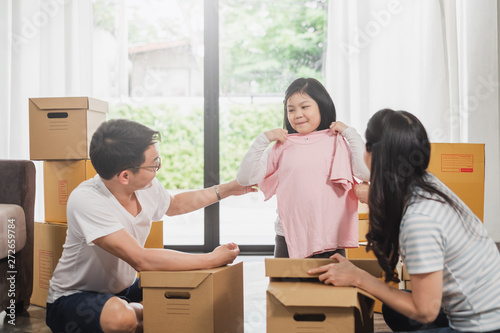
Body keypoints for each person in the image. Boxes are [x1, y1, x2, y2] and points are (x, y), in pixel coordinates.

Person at [45, 119, 256, 333]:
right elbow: (141, 259)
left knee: (193, 296)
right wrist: (211, 259)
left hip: (127, 290)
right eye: (154, 163)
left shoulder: (146, 185)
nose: (158, 167)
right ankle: (143, 313)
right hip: (74, 298)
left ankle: (143, 312)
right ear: (125, 176)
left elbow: (174, 205)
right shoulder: (86, 200)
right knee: (121, 318)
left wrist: (230, 188)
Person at [309, 109, 500, 332]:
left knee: (410, 309)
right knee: (395, 310)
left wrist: (359, 278)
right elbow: (387, 180)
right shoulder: (426, 182)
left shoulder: (419, 219)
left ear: (373, 154)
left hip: (484, 326)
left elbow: (425, 311)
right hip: (486, 307)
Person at [237, 78, 370, 259]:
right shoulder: (282, 145)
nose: (297, 114)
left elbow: (365, 173)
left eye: (304, 107)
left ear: (322, 106)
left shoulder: (337, 141)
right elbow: (246, 178)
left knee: (330, 287)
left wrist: (349, 132)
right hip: (288, 237)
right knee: (284, 287)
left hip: (330, 237)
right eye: (291, 109)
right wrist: (263, 139)